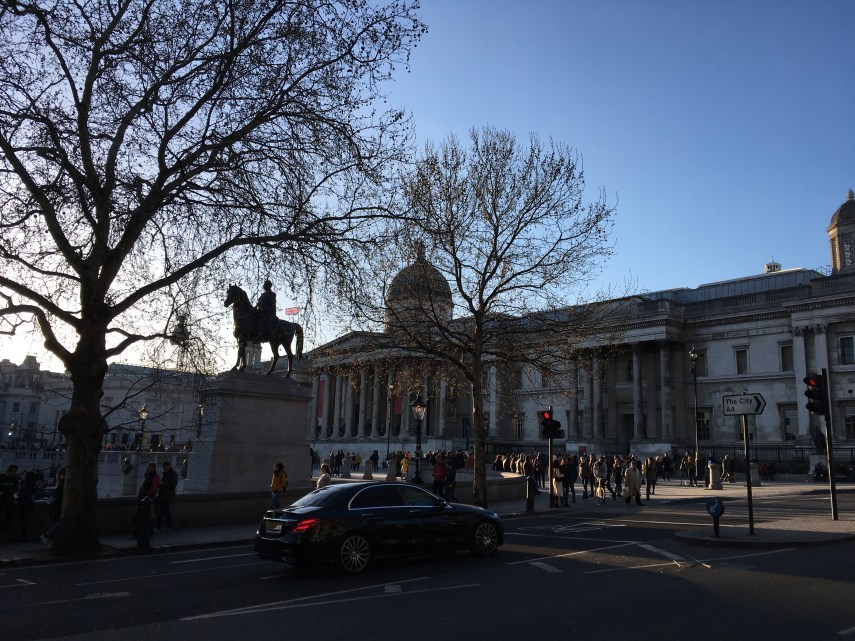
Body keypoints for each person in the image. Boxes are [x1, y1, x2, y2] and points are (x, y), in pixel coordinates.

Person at [134, 462, 159, 537]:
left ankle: (148, 532)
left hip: (147, 499)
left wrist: (146, 495)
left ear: (152, 468)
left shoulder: (155, 476)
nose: (146, 469)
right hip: (143, 498)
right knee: (141, 516)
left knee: (148, 516)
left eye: (148, 467)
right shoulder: (149, 475)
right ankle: (140, 531)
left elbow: (153, 487)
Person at [41, 467, 65, 545]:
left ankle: (50, 536)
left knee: (59, 522)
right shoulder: (64, 483)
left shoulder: (60, 482)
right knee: (61, 522)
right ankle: (47, 535)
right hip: (59, 506)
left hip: (56, 506)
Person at [155, 460, 178, 531]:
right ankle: (169, 526)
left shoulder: (174, 474)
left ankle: (158, 527)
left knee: (160, 512)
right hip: (163, 495)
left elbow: (173, 484)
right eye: (163, 468)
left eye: (165, 468)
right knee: (166, 512)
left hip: (167, 496)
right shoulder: (166, 473)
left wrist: (162, 484)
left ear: (168, 466)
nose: (164, 469)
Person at [16, 470, 37, 541]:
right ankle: (24, 536)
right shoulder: (32, 484)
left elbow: (24, 495)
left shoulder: (26, 484)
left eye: (24, 475)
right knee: (24, 520)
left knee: (23, 520)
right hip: (28, 503)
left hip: (24, 504)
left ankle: (23, 536)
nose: (23, 476)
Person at [0, 464, 19, 540]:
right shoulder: (1, 477)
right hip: (2, 500)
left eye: (16, 471)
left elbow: (16, 489)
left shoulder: (15, 479)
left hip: (10, 501)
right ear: (9, 470)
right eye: (14, 471)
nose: (15, 473)